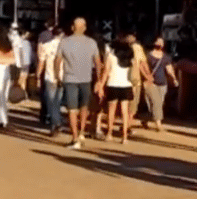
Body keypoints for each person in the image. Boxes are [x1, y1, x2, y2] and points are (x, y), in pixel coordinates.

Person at [56, 18, 103, 150]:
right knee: (84, 107)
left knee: (72, 109)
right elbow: (98, 62)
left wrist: (56, 75)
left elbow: (58, 60)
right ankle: (81, 132)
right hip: (86, 79)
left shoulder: (64, 42)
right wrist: (99, 79)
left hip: (70, 79)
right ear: (85, 28)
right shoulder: (91, 43)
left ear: (72, 28)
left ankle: (75, 137)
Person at [97, 35, 138, 145]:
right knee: (125, 111)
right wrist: (134, 86)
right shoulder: (131, 57)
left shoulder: (111, 56)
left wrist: (101, 85)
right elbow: (134, 72)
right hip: (126, 85)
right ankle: (124, 136)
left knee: (111, 110)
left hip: (113, 84)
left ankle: (109, 133)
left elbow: (105, 72)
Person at [144, 35, 178, 132]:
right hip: (151, 83)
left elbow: (169, 69)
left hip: (163, 83)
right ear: (154, 43)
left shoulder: (166, 57)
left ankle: (146, 119)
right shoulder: (148, 56)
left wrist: (174, 79)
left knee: (159, 103)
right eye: (158, 42)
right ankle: (158, 125)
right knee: (156, 102)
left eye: (161, 42)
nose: (160, 44)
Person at [37, 26, 64, 136]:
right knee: (57, 102)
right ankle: (56, 122)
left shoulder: (46, 46)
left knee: (50, 102)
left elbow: (41, 63)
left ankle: (55, 123)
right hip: (63, 77)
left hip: (49, 76)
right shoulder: (66, 47)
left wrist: (38, 75)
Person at [124, 30, 153, 126]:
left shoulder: (116, 48)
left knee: (126, 103)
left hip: (121, 79)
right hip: (134, 79)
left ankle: (126, 123)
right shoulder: (137, 48)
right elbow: (142, 63)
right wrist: (148, 75)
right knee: (133, 102)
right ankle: (128, 124)